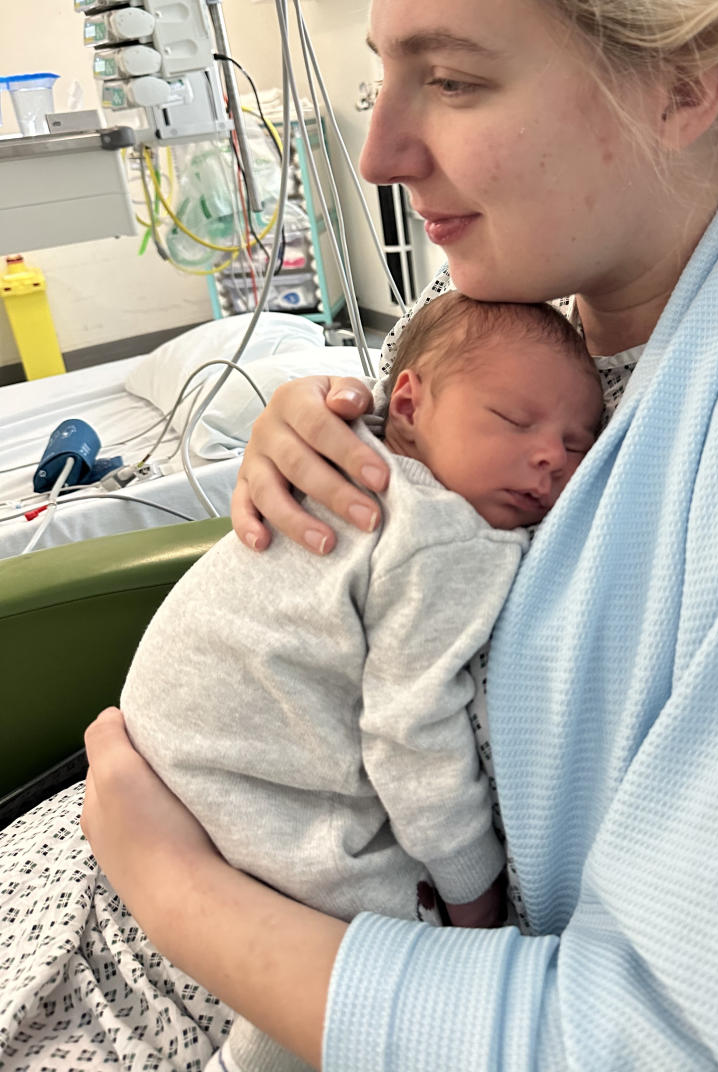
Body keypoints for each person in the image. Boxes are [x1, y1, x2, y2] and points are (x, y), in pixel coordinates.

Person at [4, 0, 718, 1068]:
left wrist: (173, 887)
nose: (381, 152)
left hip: (172, 942)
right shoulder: (576, 314)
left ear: (680, 82)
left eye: (451, 78)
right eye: (382, 77)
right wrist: (351, 465)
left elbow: (663, 1043)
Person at [120, 293, 603, 1072]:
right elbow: (413, 736)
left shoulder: (366, 457)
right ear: (405, 403)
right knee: (377, 945)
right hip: (242, 766)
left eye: (579, 446)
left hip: (172, 727)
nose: (552, 457)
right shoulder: (445, 535)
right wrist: (474, 897)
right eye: (515, 421)